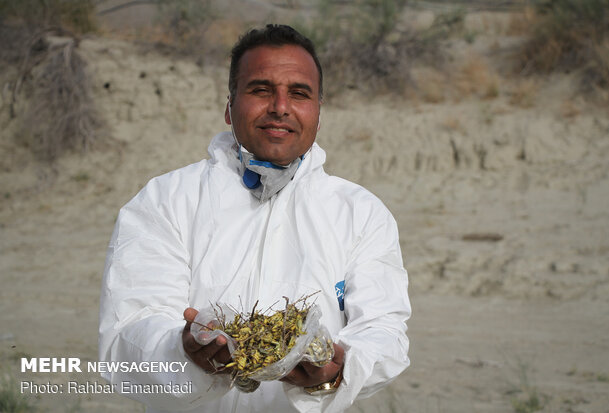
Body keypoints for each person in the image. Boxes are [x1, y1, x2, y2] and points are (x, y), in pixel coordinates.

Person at [99, 24, 410, 413]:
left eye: (299, 93)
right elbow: (127, 334)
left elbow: (384, 333)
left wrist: (338, 368)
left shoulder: (359, 213)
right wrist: (184, 350)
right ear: (229, 107)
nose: (280, 106)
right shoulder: (166, 201)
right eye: (261, 90)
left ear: (317, 111)